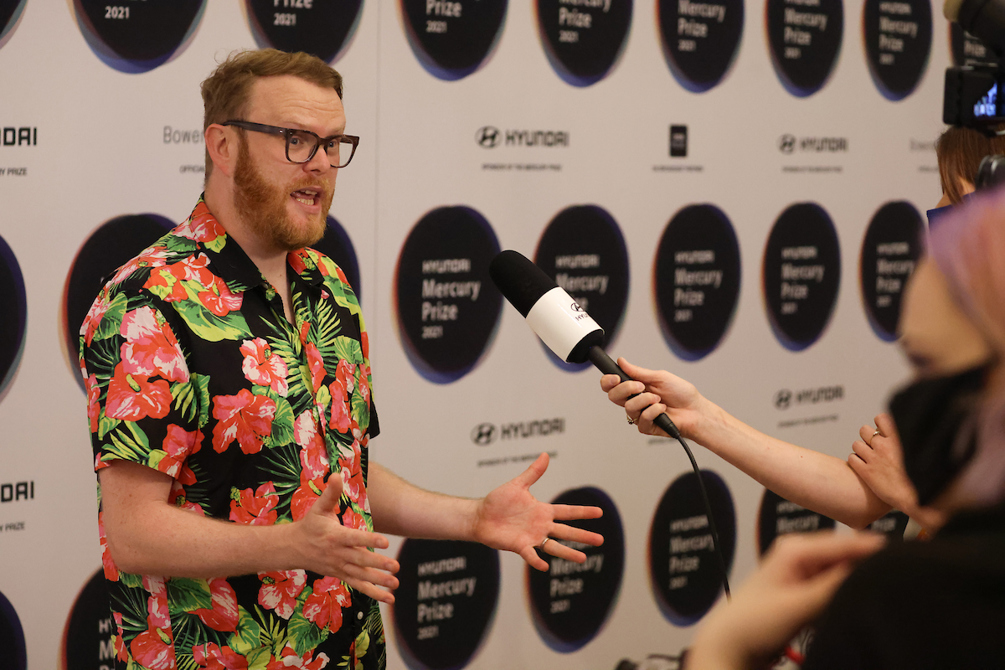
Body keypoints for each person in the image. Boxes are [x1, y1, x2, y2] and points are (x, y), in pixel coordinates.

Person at [79, 49, 603, 669]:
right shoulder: (146, 303)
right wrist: (296, 545)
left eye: (333, 144)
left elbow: (343, 476)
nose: (321, 166)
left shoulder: (327, 285)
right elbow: (135, 532)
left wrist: (475, 518)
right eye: (296, 140)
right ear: (222, 146)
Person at [600, 127, 1001, 531]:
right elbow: (861, 499)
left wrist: (913, 498)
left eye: (956, 214)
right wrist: (700, 417)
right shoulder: (971, 375)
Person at [683, 182, 1005, 669]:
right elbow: (865, 495)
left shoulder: (904, 603)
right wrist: (702, 418)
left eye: (928, 364)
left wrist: (723, 651)